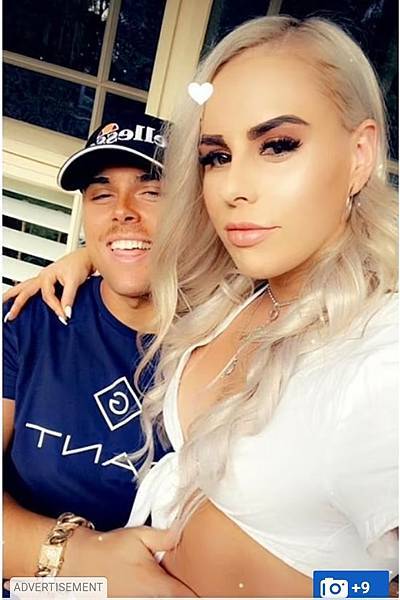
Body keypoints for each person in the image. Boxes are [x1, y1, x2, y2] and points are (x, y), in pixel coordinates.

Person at [5, 14, 398, 598]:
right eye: (217, 156)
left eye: (278, 146)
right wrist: (88, 259)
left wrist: (331, 591)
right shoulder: (237, 296)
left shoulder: (380, 359)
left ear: (360, 154)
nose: (236, 187)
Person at [3, 116, 194, 597]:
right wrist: (79, 558)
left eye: (152, 191)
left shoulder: (226, 346)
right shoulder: (28, 319)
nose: (123, 211)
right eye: (102, 194)